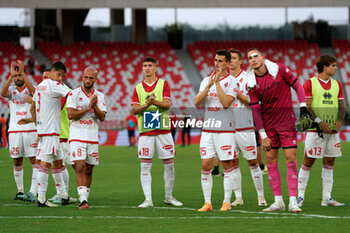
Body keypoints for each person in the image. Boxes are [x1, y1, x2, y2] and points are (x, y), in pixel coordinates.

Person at [247, 48, 308, 213]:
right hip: (268, 127)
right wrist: (263, 135)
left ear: (263, 57)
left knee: (291, 159)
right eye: (249, 58)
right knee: (271, 162)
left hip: (287, 123)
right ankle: (278, 201)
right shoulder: (250, 83)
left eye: (255, 56)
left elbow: (298, 87)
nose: (253, 60)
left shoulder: (280, 69)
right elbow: (255, 111)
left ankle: (293, 201)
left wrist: (303, 108)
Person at [131, 57, 182, 208]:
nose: (147, 68)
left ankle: (169, 197)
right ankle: (148, 200)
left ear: (155, 68)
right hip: (146, 133)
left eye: (150, 66)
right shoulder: (138, 88)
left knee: (169, 165)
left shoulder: (163, 84)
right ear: (142, 68)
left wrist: (153, 102)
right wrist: (146, 105)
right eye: (145, 65)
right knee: (145, 166)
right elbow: (134, 109)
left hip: (163, 131)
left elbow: (167, 104)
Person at [297, 55, 346, 207]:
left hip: (332, 131)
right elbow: (307, 106)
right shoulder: (310, 83)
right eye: (333, 65)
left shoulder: (337, 84)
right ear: (324, 67)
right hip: (315, 130)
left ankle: (327, 198)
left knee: (330, 161)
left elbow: (342, 106)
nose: (336, 68)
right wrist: (319, 121)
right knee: (308, 161)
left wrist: (339, 122)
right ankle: (300, 198)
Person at [194, 50, 238, 212]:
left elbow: (226, 103)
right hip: (208, 129)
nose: (216, 64)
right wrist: (209, 85)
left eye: (220, 61)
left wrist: (218, 83)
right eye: (215, 60)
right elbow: (197, 102)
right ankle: (207, 203)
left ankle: (226, 202)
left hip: (225, 129)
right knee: (206, 164)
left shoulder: (232, 82)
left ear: (227, 63)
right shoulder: (206, 80)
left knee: (227, 164)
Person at [228, 48, 266, 207]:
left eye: (234, 58)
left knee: (252, 162)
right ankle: (238, 197)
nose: (230, 61)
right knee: (232, 163)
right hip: (228, 129)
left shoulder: (248, 78)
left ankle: (261, 196)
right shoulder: (223, 79)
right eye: (228, 58)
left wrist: (236, 94)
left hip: (245, 127)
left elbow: (255, 104)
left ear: (240, 61)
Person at [67, 67, 107, 210]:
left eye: (91, 78)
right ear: (82, 78)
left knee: (89, 169)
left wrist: (94, 106)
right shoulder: (74, 94)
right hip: (77, 136)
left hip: (92, 136)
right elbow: (70, 114)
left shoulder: (99, 96)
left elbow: (102, 117)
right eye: (86, 77)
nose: (88, 80)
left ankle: (85, 197)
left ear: (95, 80)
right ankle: (82, 200)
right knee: (80, 166)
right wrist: (88, 108)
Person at [32, 61, 71, 207]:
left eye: (62, 76)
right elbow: (70, 94)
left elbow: (35, 104)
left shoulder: (40, 86)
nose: (60, 78)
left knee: (58, 161)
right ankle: (41, 198)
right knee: (45, 163)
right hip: (50, 131)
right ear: (53, 71)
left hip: (43, 129)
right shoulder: (53, 85)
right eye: (59, 74)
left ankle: (63, 195)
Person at [0, 60, 37, 200]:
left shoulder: (31, 88)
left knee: (33, 160)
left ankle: (33, 191)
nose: (18, 78)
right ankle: (20, 191)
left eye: (20, 75)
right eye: (16, 76)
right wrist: (10, 76)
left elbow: (35, 92)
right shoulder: (12, 91)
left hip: (30, 129)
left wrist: (22, 73)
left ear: (25, 75)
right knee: (17, 160)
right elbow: (3, 93)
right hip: (15, 130)